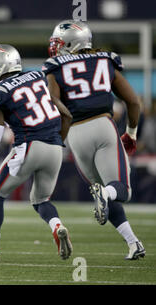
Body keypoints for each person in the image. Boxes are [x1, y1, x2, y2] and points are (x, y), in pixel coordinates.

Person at [43, 20, 145, 260]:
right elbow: (133, 101)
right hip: (102, 126)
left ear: (70, 43)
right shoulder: (105, 60)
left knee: (102, 190)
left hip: (76, 135)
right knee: (120, 191)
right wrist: (131, 132)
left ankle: (134, 243)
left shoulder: (55, 66)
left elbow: (53, 104)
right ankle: (106, 196)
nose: (56, 48)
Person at [0, 44, 73, 262]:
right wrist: (56, 141)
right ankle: (57, 226)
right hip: (54, 147)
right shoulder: (38, 77)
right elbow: (66, 115)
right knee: (41, 200)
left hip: (28, 146)